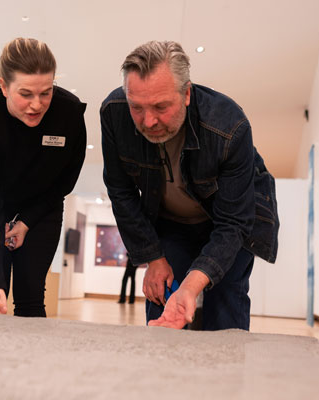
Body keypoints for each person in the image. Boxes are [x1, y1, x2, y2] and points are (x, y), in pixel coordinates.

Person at [100, 41, 279, 330]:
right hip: (172, 223)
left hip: (228, 221)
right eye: (137, 107)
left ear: (186, 94)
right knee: (162, 294)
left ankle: (224, 360)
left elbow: (234, 222)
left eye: (161, 107)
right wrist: (153, 258)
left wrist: (191, 286)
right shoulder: (114, 113)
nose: (148, 121)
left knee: (225, 300)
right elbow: (121, 192)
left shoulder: (229, 126)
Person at [0, 38, 87, 317]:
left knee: (31, 293)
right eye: (25, 94)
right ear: (3, 86)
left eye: (46, 93)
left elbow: (65, 179)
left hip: (43, 207)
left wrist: (27, 221)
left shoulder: (69, 113)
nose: (37, 105)